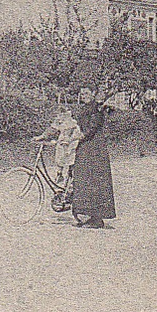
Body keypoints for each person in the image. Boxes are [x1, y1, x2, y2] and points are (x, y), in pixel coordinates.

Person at [66, 84, 116, 228]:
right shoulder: (84, 108)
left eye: (86, 93)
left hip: (95, 148)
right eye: (82, 94)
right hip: (85, 147)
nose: (83, 96)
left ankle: (96, 219)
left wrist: (79, 136)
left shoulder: (96, 108)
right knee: (82, 180)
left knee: (94, 182)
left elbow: (92, 128)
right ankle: (83, 216)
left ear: (93, 93)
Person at [31, 110, 82, 196]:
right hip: (63, 141)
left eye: (61, 114)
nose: (59, 116)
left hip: (72, 140)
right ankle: (60, 175)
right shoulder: (59, 119)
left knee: (71, 161)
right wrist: (41, 137)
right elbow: (53, 128)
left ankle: (71, 185)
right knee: (60, 158)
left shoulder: (71, 120)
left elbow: (70, 130)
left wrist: (66, 141)